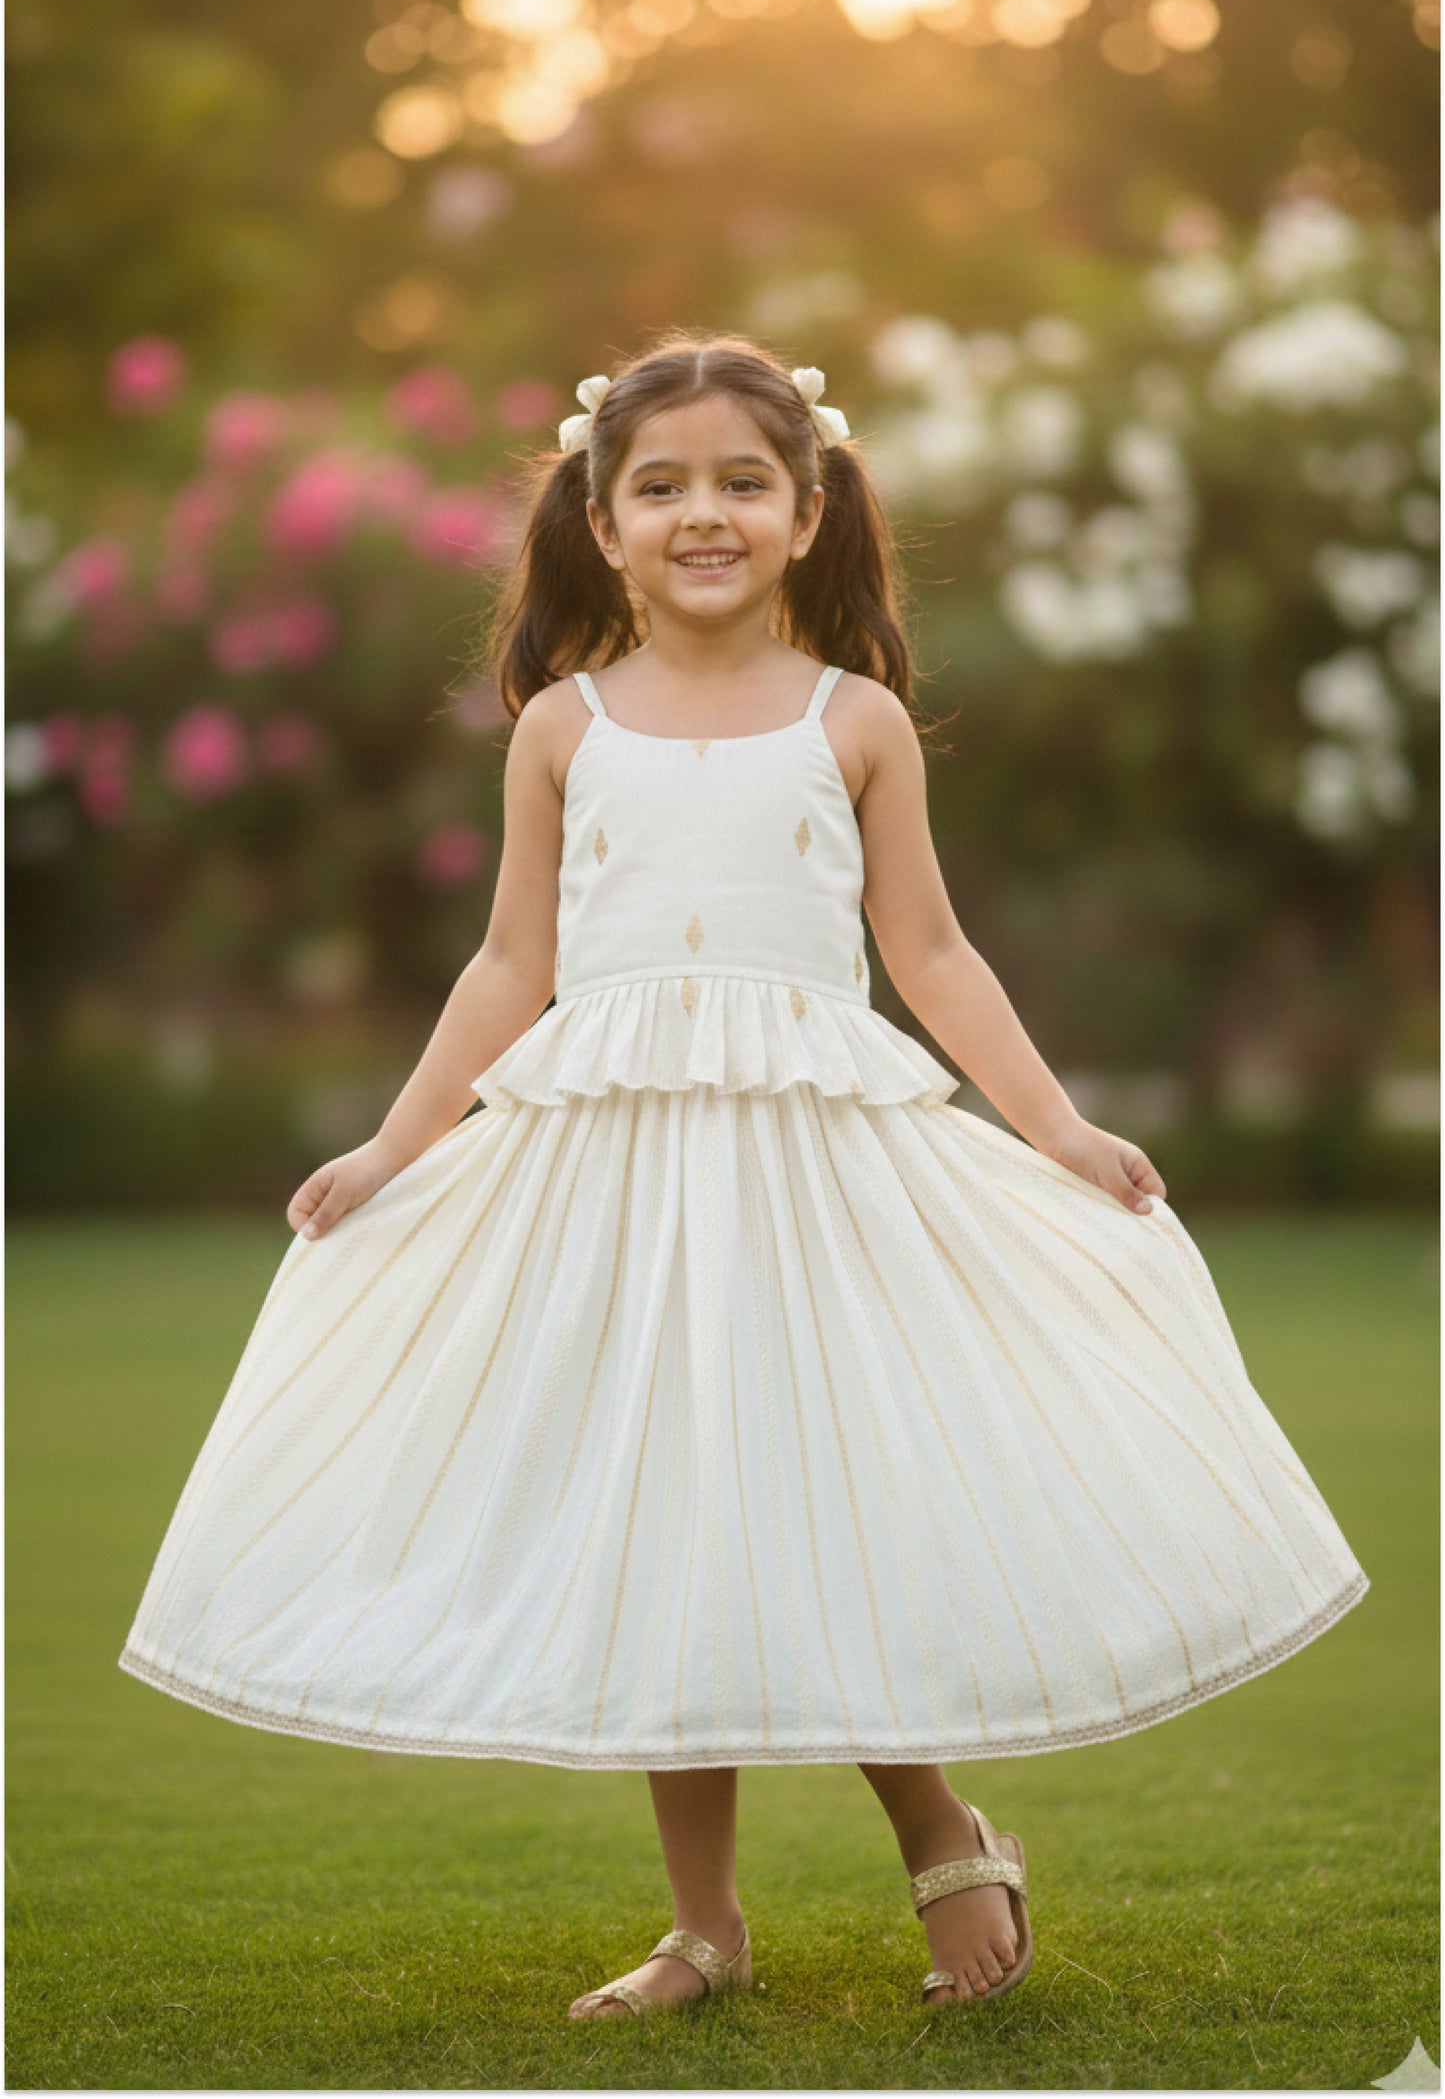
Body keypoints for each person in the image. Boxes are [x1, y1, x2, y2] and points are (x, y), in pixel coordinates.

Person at [118, 332, 1371, 2023]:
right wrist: (391, 1144)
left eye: (739, 483)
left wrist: (1055, 1130)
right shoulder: (562, 730)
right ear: (603, 523)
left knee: (826, 1497)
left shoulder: (852, 721)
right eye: (661, 487)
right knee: (674, 1524)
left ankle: (942, 1823)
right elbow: (510, 967)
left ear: (802, 514)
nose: (700, 512)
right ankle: (703, 1926)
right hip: (629, 1185)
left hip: (809, 1181)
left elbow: (926, 953)